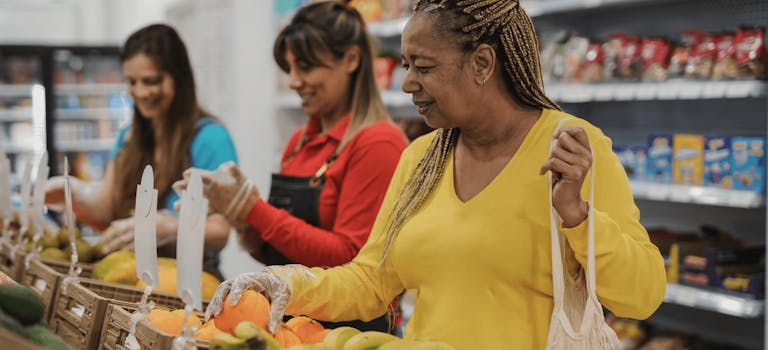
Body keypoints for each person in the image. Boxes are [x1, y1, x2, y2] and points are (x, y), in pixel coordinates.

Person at [201, 1, 667, 348]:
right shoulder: (421, 159)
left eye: (423, 66)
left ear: (482, 64)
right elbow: (371, 281)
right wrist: (287, 283)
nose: (406, 82)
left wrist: (578, 216)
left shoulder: (571, 148)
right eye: (405, 65)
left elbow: (642, 296)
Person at [174, 1, 407, 332]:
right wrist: (241, 221)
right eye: (290, 68)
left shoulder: (379, 144)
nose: (294, 81)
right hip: (292, 324)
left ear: (351, 60)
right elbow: (284, 258)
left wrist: (254, 209)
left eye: (307, 67)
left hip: (349, 333)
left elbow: (353, 264)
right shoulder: (300, 141)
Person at [45, 24, 237, 279]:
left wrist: (168, 228)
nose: (141, 92)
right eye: (132, 82)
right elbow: (107, 211)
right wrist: (72, 195)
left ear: (179, 77)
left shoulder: (210, 138)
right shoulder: (129, 137)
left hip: (191, 285)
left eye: (152, 81)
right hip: (132, 279)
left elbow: (220, 232)